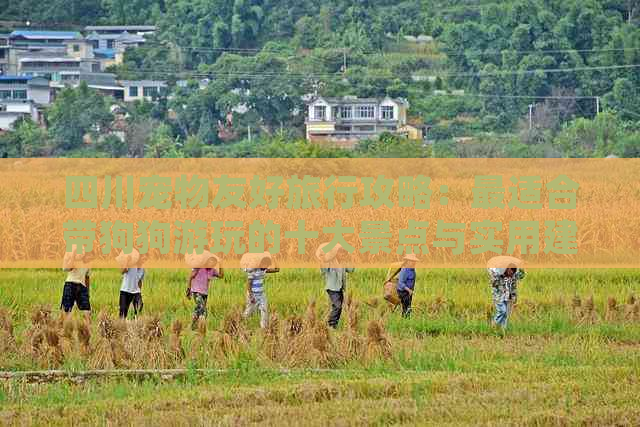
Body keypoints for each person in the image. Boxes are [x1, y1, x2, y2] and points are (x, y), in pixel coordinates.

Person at [317, 243, 354, 329]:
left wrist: (351, 258)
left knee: (338, 307)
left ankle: (333, 325)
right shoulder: (330, 261)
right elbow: (323, 271)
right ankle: (331, 325)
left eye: (344, 253)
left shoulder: (344, 262)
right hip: (332, 288)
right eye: (341, 253)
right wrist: (322, 259)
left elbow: (351, 270)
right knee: (338, 306)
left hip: (340, 288)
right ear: (336, 253)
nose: (343, 255)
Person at [187, 254, 224, 330]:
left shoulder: (212, 270)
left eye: (213, 264)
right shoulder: (199, 268)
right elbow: (190, 277)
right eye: (210, 263)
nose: (211, 265)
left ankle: (192, 327)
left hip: (205, 293)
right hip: (196, 292)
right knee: (203, 310)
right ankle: (201, 328)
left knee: (198, 310)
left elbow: (221, 275)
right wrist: (188, 289)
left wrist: (221, 264)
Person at [242, 253, 279, 329]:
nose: (266, 267)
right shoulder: (253, 271)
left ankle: (264, 328)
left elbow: (277, 269)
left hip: (261, 295)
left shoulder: (264, 270)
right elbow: (248, 285)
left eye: (267, 265)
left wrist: (274, 258)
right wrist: (251, 296)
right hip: (253, 295)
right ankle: (240, 324)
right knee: (249, 311)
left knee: (264, 310)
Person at [488, 264, 525, 330]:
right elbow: (493, 283)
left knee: (506, 315)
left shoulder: (513, 276)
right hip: (498, 297)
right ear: (507, 269)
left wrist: (521, 268)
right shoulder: (499, 275)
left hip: (508, 297)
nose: (511, 274)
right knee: (502, 311)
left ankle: (503, 330)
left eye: (513, 272)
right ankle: (493, 325)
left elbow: (522, 276)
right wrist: (497, 276)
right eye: (511, 271)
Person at [61, 247, 93, 321]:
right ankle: (64, 330)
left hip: (82, 287)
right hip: (70, 284)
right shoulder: (70, 251)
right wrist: (73, 254)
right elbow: (67, 268)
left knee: (87, 313)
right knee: (66, 312)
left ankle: (86, 331)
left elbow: (87, 277)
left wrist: (88, 293)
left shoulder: (88, 255)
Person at [119, 251, 147, 319]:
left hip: (136, 292)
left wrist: (139, 292)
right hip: (125, 291)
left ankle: (135, 324)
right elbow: (122, 271)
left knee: (139, 307)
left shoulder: (143, 269)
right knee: (123, 312)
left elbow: (140, 282)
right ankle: (121, 326)